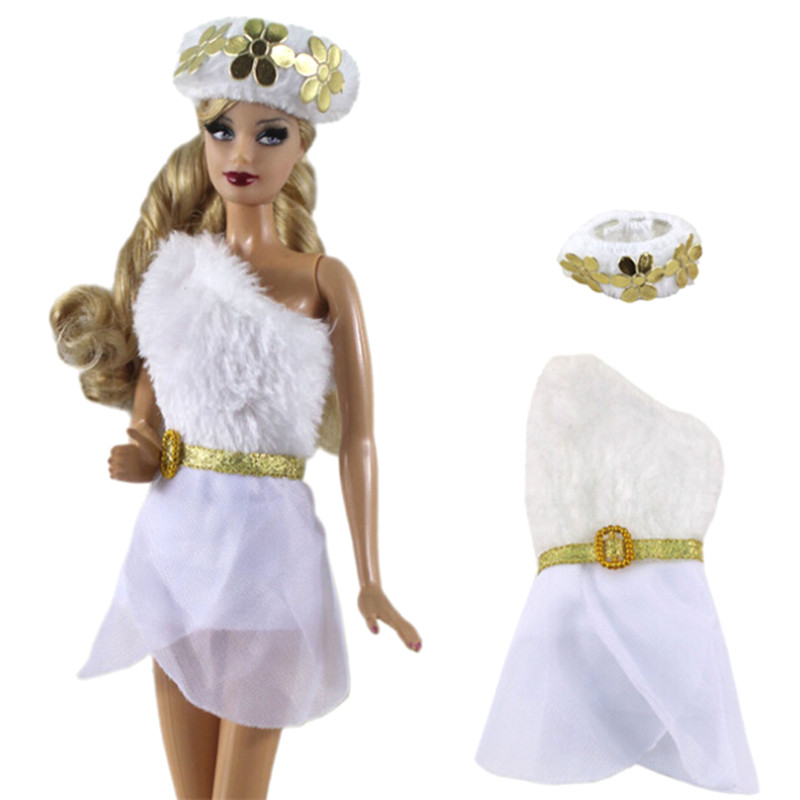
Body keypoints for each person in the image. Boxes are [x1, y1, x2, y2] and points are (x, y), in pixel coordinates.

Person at [50, 17, 420, 799]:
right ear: (203, 138)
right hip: (175, 544)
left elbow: (360, 439)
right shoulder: (177, 269)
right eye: (223, 131)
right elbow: (152, 394)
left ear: (301, 146)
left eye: (269, 133)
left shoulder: (323, 279)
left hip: (270, 554)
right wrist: (143, 444)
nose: (241, 153)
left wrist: (371, 576)